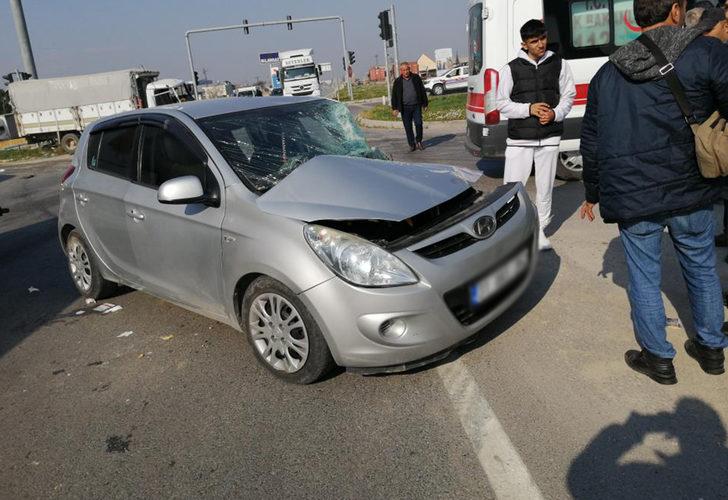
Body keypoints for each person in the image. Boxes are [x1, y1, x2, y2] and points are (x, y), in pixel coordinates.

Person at [580, 0, 728, 384]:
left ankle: (659, 359)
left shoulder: (607, 73)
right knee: (700, 264)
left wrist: (592, 191)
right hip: (691, 186)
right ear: (676, 11)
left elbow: (591, 141)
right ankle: (712, 349)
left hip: (633, 193)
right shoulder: (705, 52)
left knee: (644, 276)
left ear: (634, 19)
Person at [496, 19, 575, 251]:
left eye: (542, 38)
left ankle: (539, 231)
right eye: (534, 41)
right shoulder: (510, 69)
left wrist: (555, 114)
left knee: (545, 188)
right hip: (519, 139)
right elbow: (501, 103)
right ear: (524, 44)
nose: (540, 44)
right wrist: (528, 109)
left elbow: (568, 96)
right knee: (513, 189)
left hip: (549, 138)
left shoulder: (559, 64)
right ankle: (511, 235)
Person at [391, 62, 428, 152]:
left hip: (416, 106)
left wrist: (425, 104)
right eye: (404, 70)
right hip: (405, 108)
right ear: (401, 71)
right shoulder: (398, 81)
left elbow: (422, 91)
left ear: (409, 69)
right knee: (408, 127)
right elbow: (394, 96)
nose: (406, 72)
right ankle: (412, 144)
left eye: (407, 69)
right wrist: (395, 108)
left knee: (419, 123)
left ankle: (419, 141)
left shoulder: (416, 78)